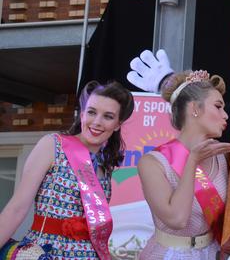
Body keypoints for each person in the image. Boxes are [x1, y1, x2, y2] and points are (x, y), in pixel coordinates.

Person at [0, 81, 135, 260]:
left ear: (118, 124)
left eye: (108, 116)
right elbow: (16, 209)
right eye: (92, 112)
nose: (97, 122)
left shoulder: (105, 165)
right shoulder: (53, 145)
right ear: (82, 114)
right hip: (46, 252)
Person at [137, 70, 230, 259]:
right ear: (194, 109)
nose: (225, 115)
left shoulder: (222, 156)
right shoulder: (152, 162)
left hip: (211, 251)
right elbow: (177, 219)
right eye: (218, 106)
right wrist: (192, 161)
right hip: (170, 254)